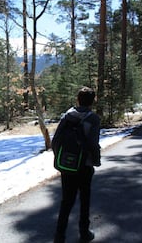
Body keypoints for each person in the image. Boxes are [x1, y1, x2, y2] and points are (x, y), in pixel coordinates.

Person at [52, 87, 101, 243]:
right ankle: (84, 232)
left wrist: (62, 158)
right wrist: (95, 160)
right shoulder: (93, 118)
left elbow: (55, 141)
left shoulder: (67, 116)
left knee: (66, 201)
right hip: (85, 166)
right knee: (84, 200)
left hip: (67, 166)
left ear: (78, 99)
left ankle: (59, 236)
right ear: (92, 102)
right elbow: (93, 144)